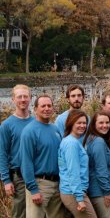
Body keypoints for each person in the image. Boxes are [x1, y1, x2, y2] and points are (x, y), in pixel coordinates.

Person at [20, 94, 66, 217]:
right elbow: (26, 162)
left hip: (57, 184)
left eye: (49, 105)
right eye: (43, 106)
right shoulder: (29, 131)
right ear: (35, 109)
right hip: (39, 184)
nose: (47, 108)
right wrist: (33, 189)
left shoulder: (55, 129)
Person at [0, 84, 33, 218]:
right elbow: (2, 154)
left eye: (26, 96)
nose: (23, 99)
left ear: (30, 98)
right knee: (20, 213)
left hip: (37, 176)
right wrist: (6, 180)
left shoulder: (36, 122)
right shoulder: (7, 125)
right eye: (19, 97)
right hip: (18, 178)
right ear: (13, 99)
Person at [59, 109, 97, 217]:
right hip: (73, 193)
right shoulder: (71, 144)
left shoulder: (73, 141)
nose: (82, 126)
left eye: (84, 123)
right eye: (79, 123)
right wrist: (79, 198)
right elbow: (73, 172)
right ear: (71, 123)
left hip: (75, 191)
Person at [83, 111, 110, 218]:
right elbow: (101, 170)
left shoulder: (92, 139)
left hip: (96, 191)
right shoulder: (98, 142)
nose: (105, 126)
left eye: (107, 123)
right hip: (101, 193)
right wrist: (107, 192)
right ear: (94, 125)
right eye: (101, 123)